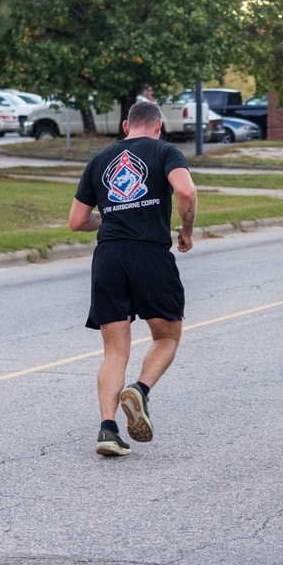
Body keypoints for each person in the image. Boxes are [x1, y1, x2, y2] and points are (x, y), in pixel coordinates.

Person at [69, 101, 198, 457]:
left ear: (127, 126)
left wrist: (109, 218)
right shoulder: (165, 151)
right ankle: (139, 390)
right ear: (158, 127)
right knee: (167, 336)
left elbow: (77, 220)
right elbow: (186, 191)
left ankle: (107, 429)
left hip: (109, 256)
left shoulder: (99, 160)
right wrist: (186, 231)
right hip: (150, 254)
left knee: (114, 351)